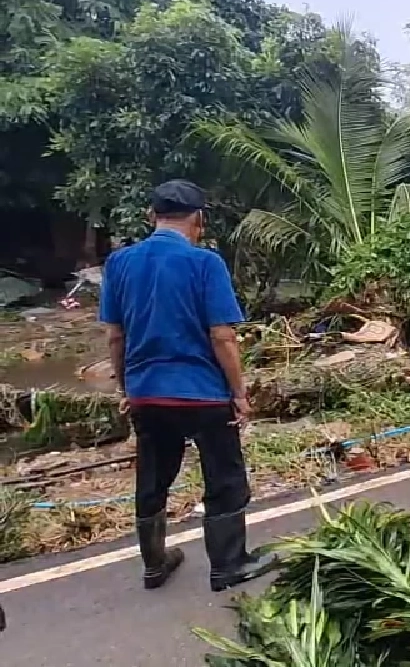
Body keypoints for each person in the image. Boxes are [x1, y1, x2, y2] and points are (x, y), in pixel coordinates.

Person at [99, 180, 272, 593]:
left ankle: (155, 564)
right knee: (224, 477)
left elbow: (115, 336)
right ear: (199, 219)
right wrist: (239, 394)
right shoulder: (204, 263)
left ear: (150, 217)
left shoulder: (119, 263)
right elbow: (222, 336)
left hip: (147, 392)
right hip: (202, 393)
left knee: (154, 476)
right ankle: (228, 566)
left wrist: (126, 388)